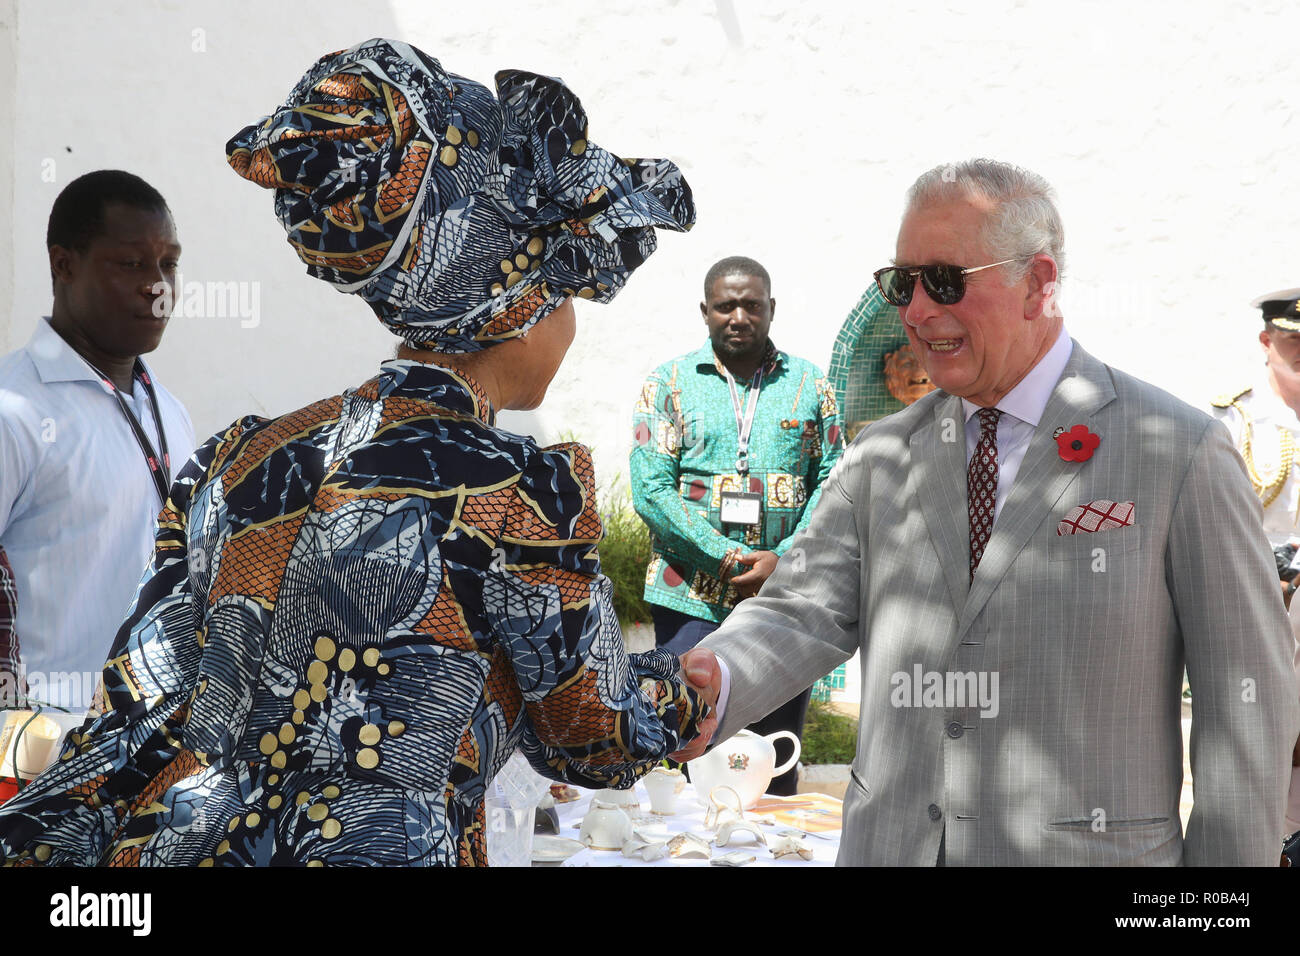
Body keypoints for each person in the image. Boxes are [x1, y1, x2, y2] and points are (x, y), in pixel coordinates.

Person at [0, 38, 707, 866]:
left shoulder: (238, 459)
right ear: (515, 297)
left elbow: (145, 704)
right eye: (570, 290)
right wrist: (682, 686)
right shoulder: (517, 491)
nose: (573, 321)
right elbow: (596, 735)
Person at [676, 159, 1300, 865]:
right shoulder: (882, 457)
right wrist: (712, 679)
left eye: (943, 280)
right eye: (900, 283)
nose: (912, 310)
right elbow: (798, 611)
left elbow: (1244, 700)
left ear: (1036, 282)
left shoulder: (1179, 451)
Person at [629, 256, 844, 793]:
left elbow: (837, 480)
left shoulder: (810, 384)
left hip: (782, 598)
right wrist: (721, 556)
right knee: (682, 744)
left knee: (772, 762)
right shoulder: (668, 383)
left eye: (752, 304)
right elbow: (651, 490)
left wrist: (786, 558)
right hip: (690, 599)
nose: (739, 316)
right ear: (706, 311)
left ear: (772, 309)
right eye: (726, 305)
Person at [0, 171, 195, 712]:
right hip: (33, 772)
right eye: (132, 264)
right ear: (63, 264)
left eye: (169, 264)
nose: (156, 285)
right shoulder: (13, 411)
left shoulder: (172, 415)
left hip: (147, 769)